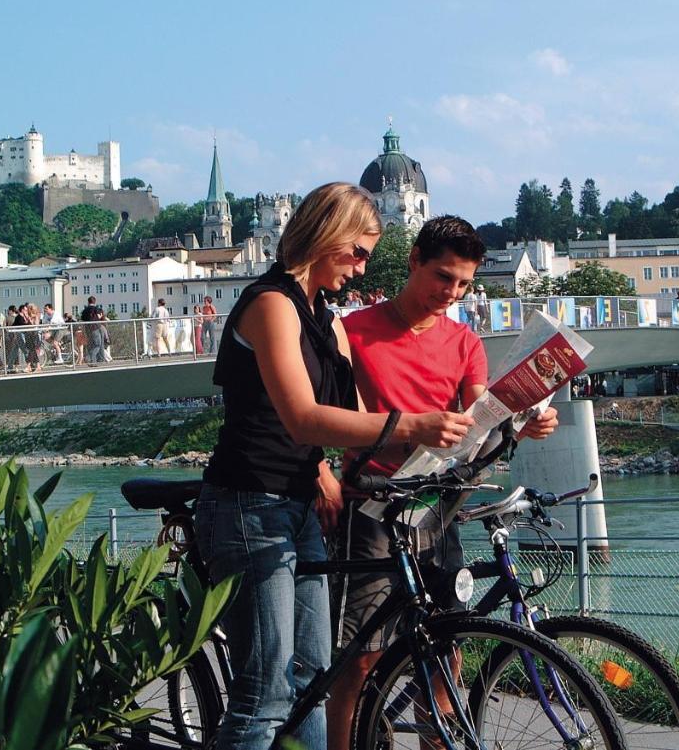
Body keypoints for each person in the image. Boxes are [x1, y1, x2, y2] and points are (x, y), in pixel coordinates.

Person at [194, 183, 475, 750]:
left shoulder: (325, 317)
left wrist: (374, 464)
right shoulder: (271, 304)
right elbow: (302, 418)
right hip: (250, 502)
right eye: (359, 252)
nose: (364, 267)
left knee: (310, 684)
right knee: (265, 693)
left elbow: (352, 415)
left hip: (297, 502)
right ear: (327, 236)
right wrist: (411, 423)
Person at [324, 216, 560, 750]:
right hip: (372, 503)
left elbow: (481, 412)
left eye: (463, 284)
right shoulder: (354, 331)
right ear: (413, 261)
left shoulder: (463, 341)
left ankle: (437, 740)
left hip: (436, 503)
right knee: (361, 653)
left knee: (449, 640)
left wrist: (527, 420)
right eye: (442, 277)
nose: (450, 293)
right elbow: (323, 414)